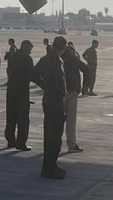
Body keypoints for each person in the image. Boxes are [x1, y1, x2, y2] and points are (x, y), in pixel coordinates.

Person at [36, 36, 68, 179]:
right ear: (63, 47)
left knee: (51, 134)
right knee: (54, 135)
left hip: (50, 98)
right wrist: (49, 87)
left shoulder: (45, 59)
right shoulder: (55, 60)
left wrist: (45, 86)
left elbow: (34, 74)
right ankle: (49, 168)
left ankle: (51, 165)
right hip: (55, 100)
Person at [5, 40, 41, 151]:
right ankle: (21, 143)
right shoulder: (26, 58)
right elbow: (32, 75)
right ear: (25, 47)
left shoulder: (13, 56)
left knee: (11, 116)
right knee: (23, 119)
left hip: (11, 89)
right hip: (22, 90)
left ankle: (10, 140)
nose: (31, 50)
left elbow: (8, 71)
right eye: (30, 48)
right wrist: (44, 85)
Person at [62, 43, 90, 153]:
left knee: (57, 121)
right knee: (71, 120)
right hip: (72, 92)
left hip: (59, 93)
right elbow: (87, 70)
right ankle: (71, 144)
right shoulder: (74, 60)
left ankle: (55, 143)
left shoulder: (56, 59)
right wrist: (85, 86)